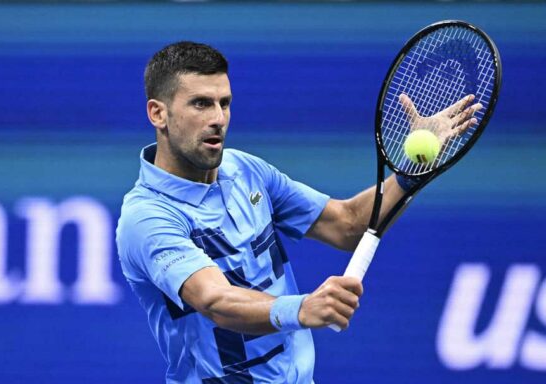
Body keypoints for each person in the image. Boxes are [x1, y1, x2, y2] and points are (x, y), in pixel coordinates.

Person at [116, 41, 480, 384]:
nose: (218, 119)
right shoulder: (147, 216)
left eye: (224, 103)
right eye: (200, 104)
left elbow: (348, 225)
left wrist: (410, 172)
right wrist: (303, 308)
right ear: (157, 113)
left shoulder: (246, 171)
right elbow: (216, 301)